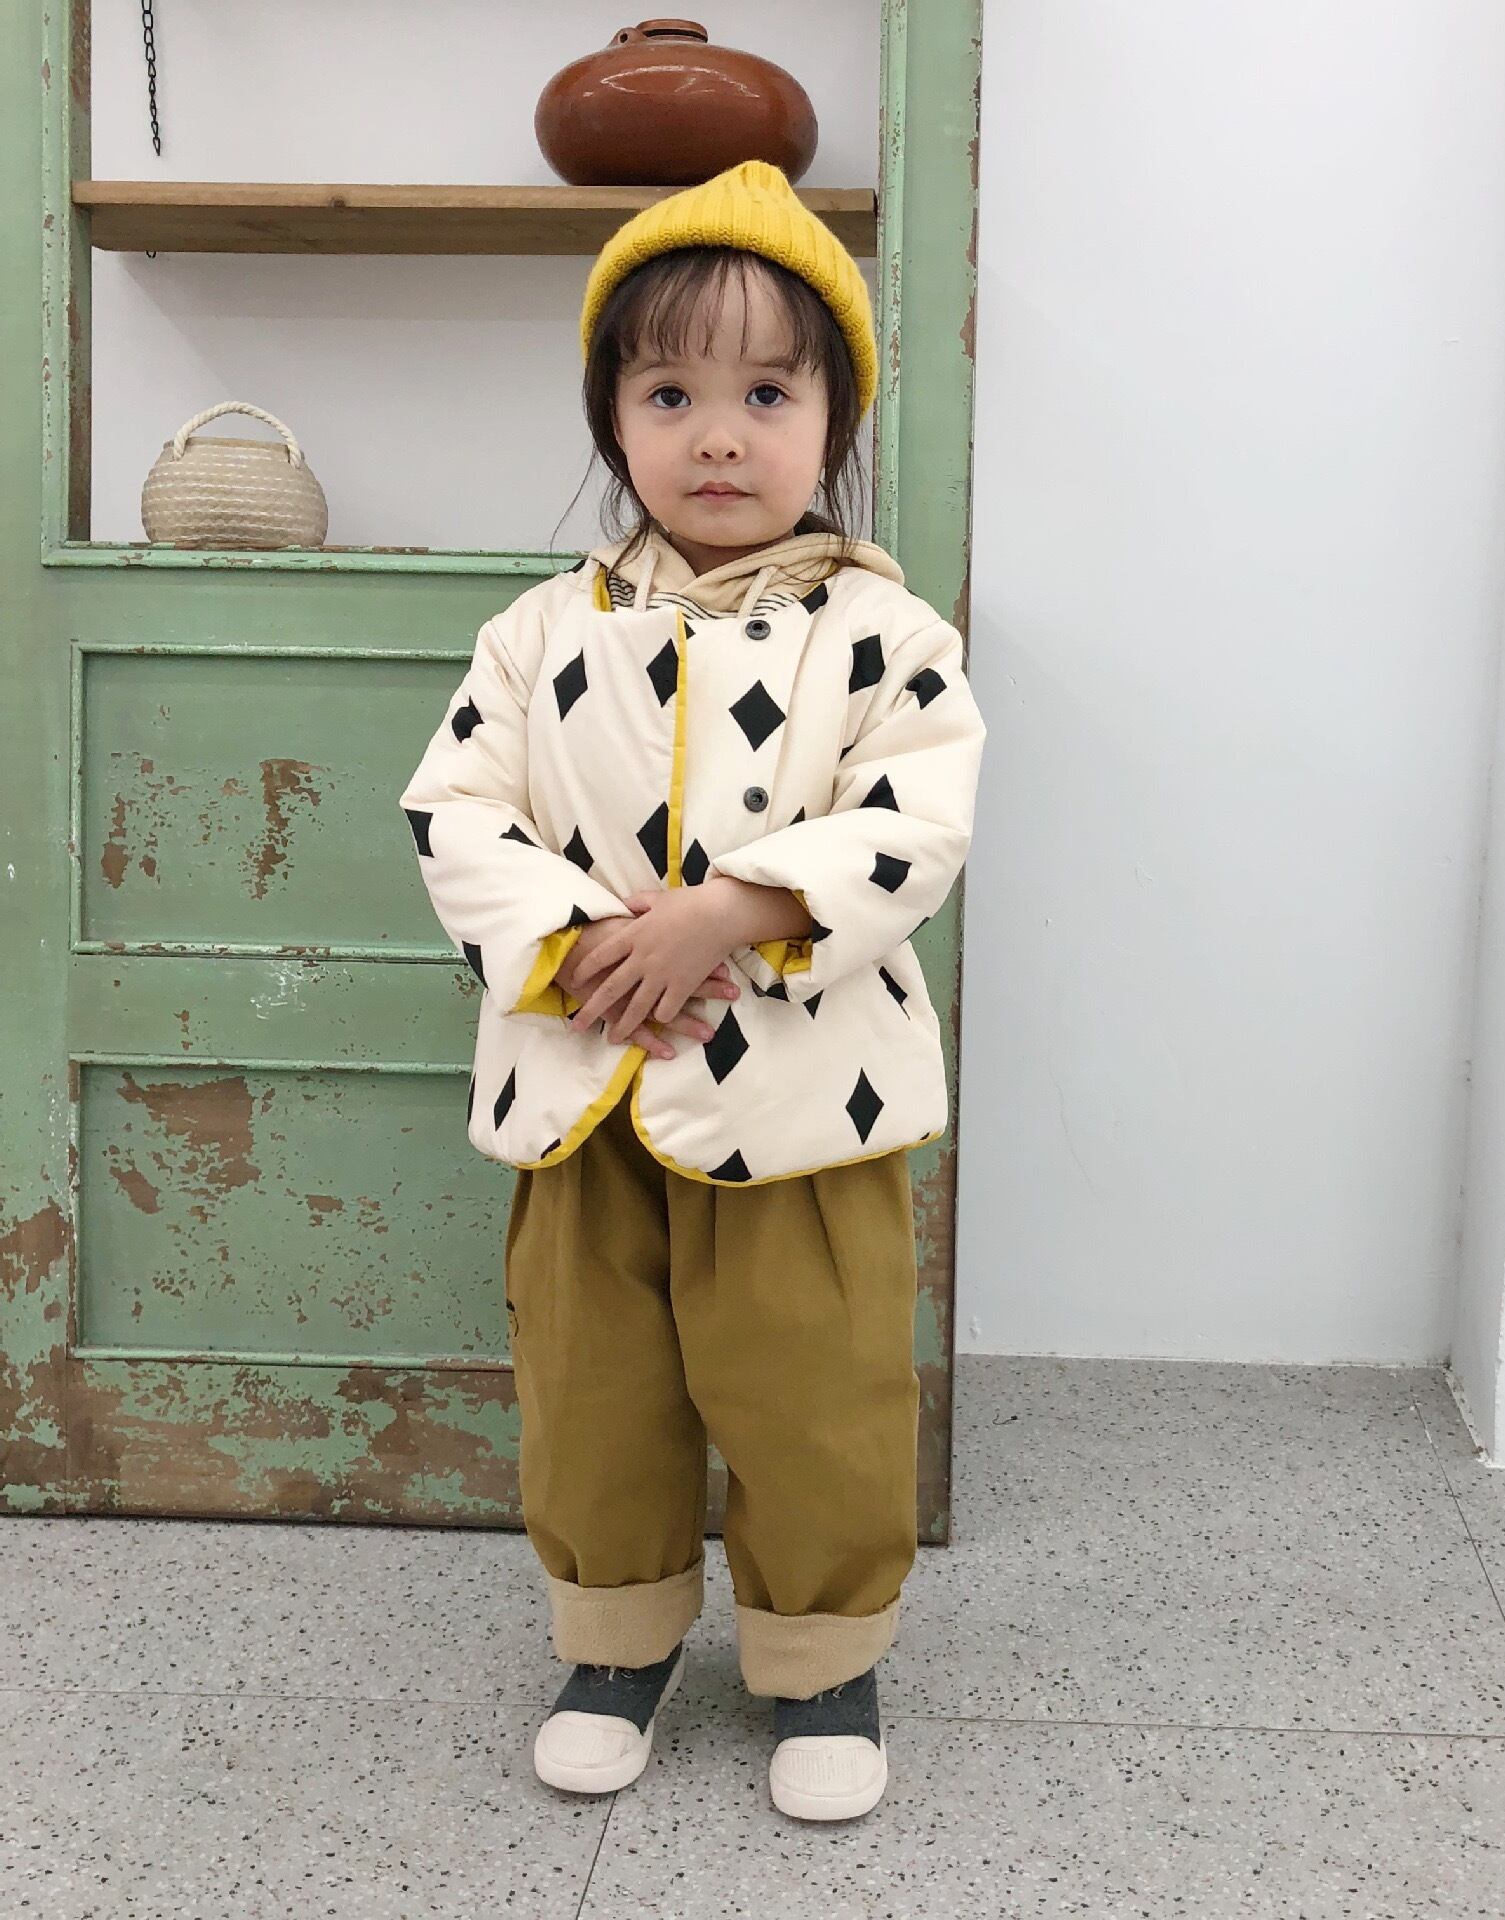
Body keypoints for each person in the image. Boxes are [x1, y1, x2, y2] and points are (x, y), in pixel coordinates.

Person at [397, 158, 987, 1822]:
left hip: (805, 1103)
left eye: (767, 395)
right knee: (594, 1392)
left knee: (818, 1388)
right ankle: (614, 1643)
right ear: (613, 421)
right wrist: (591, 945)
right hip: (582, 1087)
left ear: (834, 419)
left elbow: (917, 818)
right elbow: (456, 809)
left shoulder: (886, 635)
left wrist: (728, 912)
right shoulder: (536, 633)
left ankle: (822, 1660)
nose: (719, 436)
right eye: (670, 394)